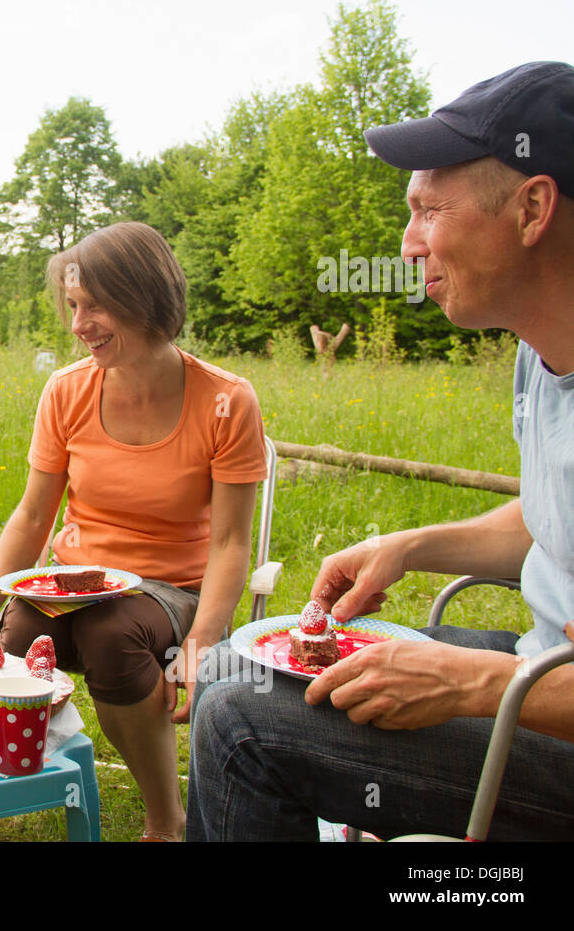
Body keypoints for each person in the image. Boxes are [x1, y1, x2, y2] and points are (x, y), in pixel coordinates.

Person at [187, 61, 574, 841]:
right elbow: (550, 522)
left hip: (546, 706)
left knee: (240, 721)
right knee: (240, 665)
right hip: (537, 666)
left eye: (430, 210)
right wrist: (407, 546)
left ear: (533, 207)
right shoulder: (541, 357)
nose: (408, 245)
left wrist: (472, 683)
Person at [0, 221, 269, 841]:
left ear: (145, 297)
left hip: (172, 591)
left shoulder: (227, 400)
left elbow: (232, 542)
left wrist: (203, 641)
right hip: (71, 581)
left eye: (95, 304)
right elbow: (34, 514)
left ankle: (164, 820)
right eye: (73, 305)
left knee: (110, 629)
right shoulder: (66, 391)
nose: (78, 324)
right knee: (20, 628)